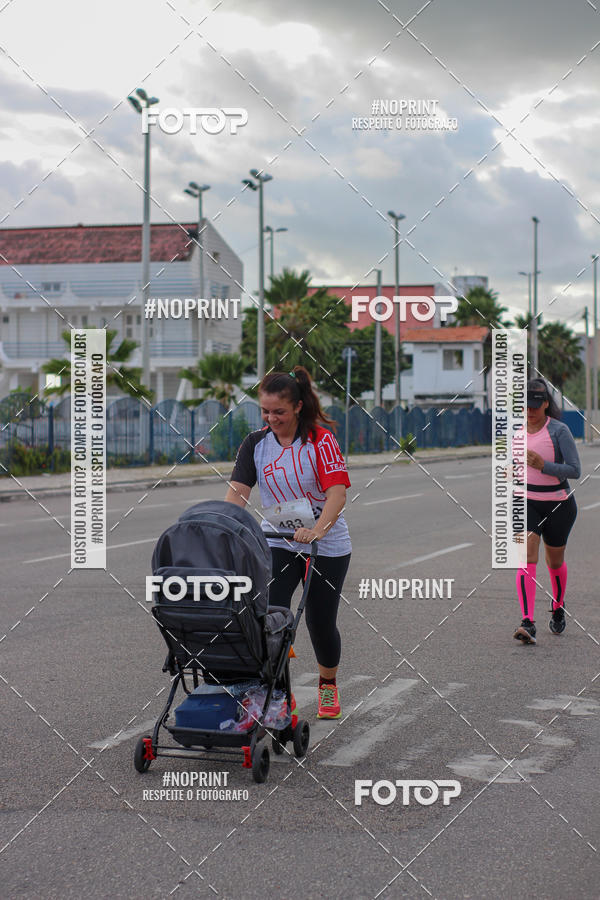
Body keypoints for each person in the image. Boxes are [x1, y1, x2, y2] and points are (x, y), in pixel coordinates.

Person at [225, 366, 351, 719]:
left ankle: (328, 685)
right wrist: (224, 527)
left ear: (297, 407)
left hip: (325, 542)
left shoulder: (320, 440)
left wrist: (318, 530)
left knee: (319, 622)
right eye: (265, 411)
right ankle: (278, 691)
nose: (271, 418)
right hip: (278, 538)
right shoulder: (255, 443)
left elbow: (337, 495)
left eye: (278, 411)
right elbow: (237, 493)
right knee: (270, 618)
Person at [513, 377, 581, 645]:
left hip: (558, 504)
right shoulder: (516, 432)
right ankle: (527, 622)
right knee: (526, 556)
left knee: (554, 562)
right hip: (525, 501)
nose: (529, 410)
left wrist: (544, 466)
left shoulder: (559, 430)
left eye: (535, 405)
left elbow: (575, 470)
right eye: (525, 405)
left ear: (545, 404)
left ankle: (558, 604)